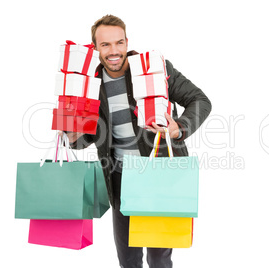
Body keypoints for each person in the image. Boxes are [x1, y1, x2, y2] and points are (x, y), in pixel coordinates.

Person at [67, 14, 211, 268]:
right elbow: (87, 137)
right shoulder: (89, 82)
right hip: (119, 178)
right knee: (128, 258)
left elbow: (200, 100)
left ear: (126, 42)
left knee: (158, 257)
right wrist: (72, 136)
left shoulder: (155, 69)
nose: (114, 51)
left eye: (119, 43)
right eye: (106, 45)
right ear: (95, 48)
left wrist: (180, 128)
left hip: (158, 174)